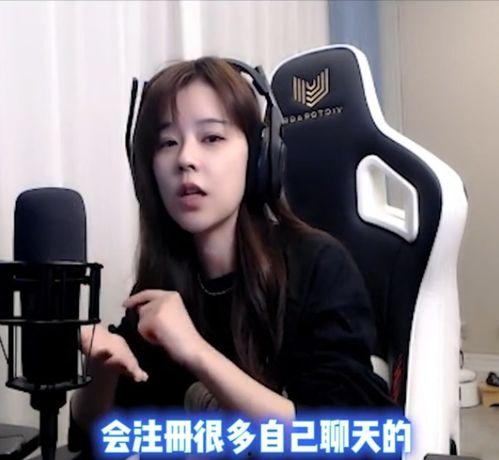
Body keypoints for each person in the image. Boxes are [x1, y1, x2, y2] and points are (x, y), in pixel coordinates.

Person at [69, 56, 397, 458]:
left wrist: (195, 351)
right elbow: (97, 439)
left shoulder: (318, 266)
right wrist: (101, 373)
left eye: (211, 138)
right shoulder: (161, 287)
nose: (185, 159)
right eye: (168, 142)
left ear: (259, 157)